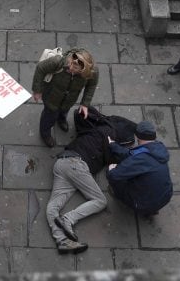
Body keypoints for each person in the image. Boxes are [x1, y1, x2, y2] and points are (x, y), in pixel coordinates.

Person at [46, 107, 135, 254]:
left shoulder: (97, 126)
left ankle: (62, 241)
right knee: (100, 201)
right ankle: (67, 220)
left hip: (61, 164)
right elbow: (119, 158)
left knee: (53, 206)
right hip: (76, 165)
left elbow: (79, 114)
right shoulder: (110, 137)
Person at [32, 48, 98, 147]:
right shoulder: (58, 62)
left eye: (75, 68)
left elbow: (91, 85)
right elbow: (40, 68)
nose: (70, 68)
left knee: (64, 112)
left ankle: (61, 120)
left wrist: (85, 104)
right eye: (70, 63)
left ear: (83, 70)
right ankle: (45, 134)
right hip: (51, 98)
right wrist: (37, 90)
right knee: (48, 117)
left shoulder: (92, 71)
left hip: (69, 100)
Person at [106, 121, 173, 216]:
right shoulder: (158, 148)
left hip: (143, 204)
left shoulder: (141, 159)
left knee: (112, 175)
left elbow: (114, 176)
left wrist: (112, 169)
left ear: (138, 137)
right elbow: (130, 154)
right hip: (165, 197)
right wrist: (113, 145)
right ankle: (151, 208)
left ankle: (139, 206)